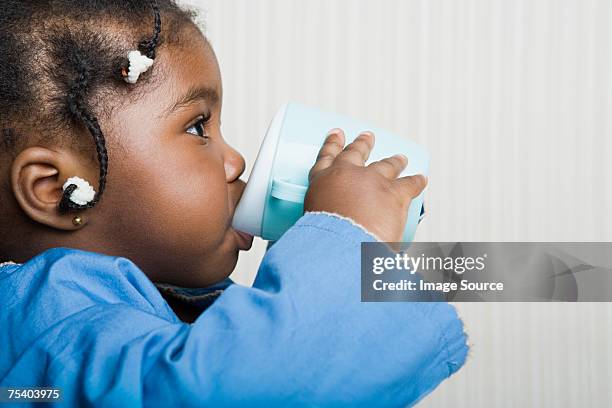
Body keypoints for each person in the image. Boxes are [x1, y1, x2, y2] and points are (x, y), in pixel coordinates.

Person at [0, 1, 469, 406]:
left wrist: (342, 266)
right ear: (56, 189)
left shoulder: (118, 312)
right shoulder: (54, 326)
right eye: (198, 127)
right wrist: (342, 236)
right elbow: (235, 390)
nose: (236, 160)